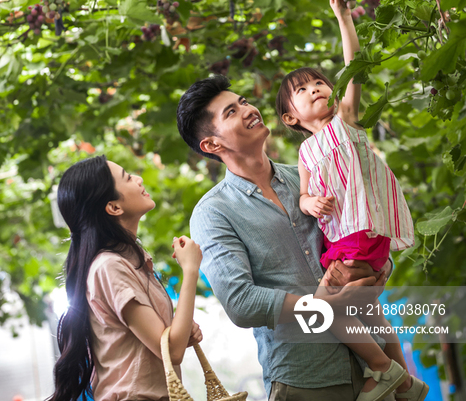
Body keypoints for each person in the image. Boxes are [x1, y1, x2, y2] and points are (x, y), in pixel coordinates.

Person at [177, 77, 393, 401]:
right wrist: (321, 307)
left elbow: (364, 228)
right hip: (305, 378)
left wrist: (379, 272)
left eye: (245, 100)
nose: (249, 110)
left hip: (376, 369)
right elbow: (240, 302)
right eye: (232, 111)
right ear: (211, 144)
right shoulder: (213, 213)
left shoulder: (309, 173)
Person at [275, 0, 428, 401]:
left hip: (361, 231)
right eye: (303, 90)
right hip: (345, 237)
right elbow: (305, 195)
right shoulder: (306, 151)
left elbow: (353, 69)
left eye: (319, 83)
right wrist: (310, 203)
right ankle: (407, 384)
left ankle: (383, 370)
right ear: (291, 117)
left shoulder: (345, 121)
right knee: (366, 309)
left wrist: (344, 18)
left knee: (324, 310)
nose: (315, 89)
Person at [48, 154, 202, 401]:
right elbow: (171, 351)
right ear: (114, 207)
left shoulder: (130, 259)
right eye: (128, 178)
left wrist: (182, 331)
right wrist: (191, 269)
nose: (139, 179)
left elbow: (163, 341)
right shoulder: (109, 267)